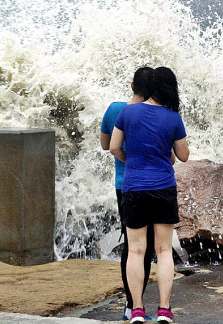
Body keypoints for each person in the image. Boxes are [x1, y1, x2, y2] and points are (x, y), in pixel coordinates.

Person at [110, 66, 189, 323]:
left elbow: (113, 147)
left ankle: (136, 311)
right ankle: (164, 310)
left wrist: (131, 160)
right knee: (164, 250)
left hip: (133, 188)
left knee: (136, 251)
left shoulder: (127, 112)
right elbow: (183, 155)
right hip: (163, 187)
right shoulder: (173, 117)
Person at [100, 67, 155, 321]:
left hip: (124, 184)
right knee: (149, 247)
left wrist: (126, 159)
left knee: (132, 245)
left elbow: (105, 145)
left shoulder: (115, 109)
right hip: (152, 184)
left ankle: (131, 304)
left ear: (132, 84)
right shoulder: (155, 113)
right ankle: (137, 304)